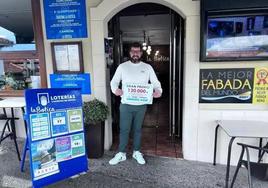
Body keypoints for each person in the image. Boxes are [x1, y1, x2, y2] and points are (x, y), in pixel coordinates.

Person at [109, 42, 162, 165]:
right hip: (126, 104)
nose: (135, 54)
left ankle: (136, 152)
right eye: (133, 51)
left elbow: (155, 82)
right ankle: (121, 153)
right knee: (124, 130)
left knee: (137, 130)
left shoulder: (147, 67)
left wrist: (158, 90)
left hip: (141, 105)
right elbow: (114, 82)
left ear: (141, 53)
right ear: (130, 53)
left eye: (138, 51)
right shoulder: (122, 67)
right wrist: (115, 90)